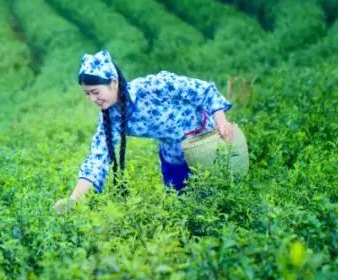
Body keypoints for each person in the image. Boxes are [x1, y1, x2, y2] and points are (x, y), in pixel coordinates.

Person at [57, 49, 236, 210]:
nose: (92, 99)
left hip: (206, 144)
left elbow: (203, 90)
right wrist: (74, 200)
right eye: (87, 94)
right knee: (183, 210)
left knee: (220, 202)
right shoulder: (111, 118)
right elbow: (97, 159)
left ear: (113, 82)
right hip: (173, 158)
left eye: (95, 92)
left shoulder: (154, 87)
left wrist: (221, 120)